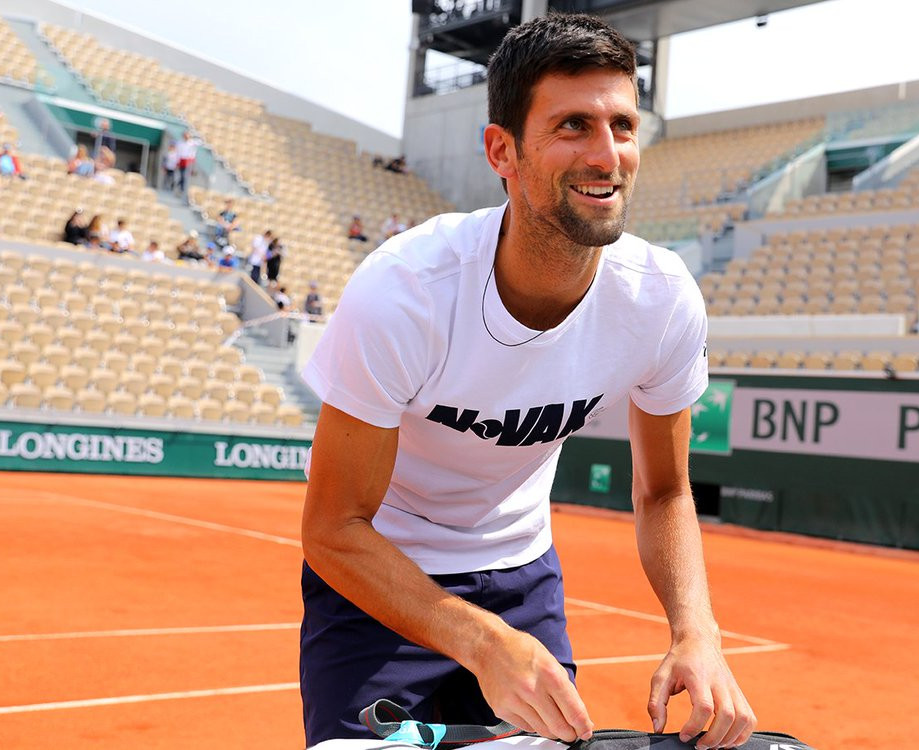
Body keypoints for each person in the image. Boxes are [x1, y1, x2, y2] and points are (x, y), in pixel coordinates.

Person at [298, 13, 754, 750]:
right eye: (574, 125)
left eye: (623, 126)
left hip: (523, 575)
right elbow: (333, 528)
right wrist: (482, 643)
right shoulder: (405, 294)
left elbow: (666, 492)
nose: (607, 155)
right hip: (381, 581)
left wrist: (696, 632)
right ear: (501, 151)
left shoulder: (662, 298)